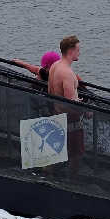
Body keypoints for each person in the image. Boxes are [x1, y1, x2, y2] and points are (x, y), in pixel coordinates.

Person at [48, 36, 84, 176]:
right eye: (78, 50)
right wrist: (84, 110)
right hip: (70, 120)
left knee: (58, 149)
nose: (79, 53)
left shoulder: (55, 66)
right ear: (71, 50)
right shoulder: (67, 73)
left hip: (57, 114)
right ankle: (72, 180)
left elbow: (51, 92)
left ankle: (51, 174)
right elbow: (71, 103)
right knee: (76, 152)